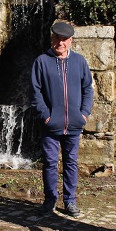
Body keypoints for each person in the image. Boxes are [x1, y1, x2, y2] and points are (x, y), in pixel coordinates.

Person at [30, 21, 94, 218]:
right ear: (52, 38)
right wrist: (46, 116)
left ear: (71, 40)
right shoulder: (41, 61)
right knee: (49, 162)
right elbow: (35, 92)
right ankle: (50, 200)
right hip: (51, 124)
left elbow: (87, 89)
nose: (61, 43)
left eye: (64, 40)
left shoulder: (80, 62)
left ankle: (70, 201)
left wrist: (83, 114)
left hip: (74, 123)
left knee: (71, 162)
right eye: (57, 38)